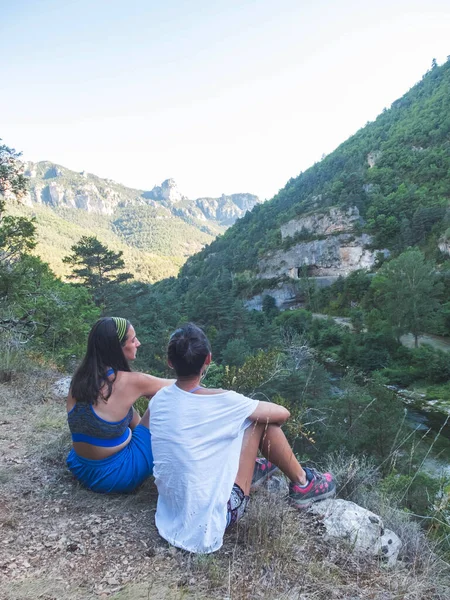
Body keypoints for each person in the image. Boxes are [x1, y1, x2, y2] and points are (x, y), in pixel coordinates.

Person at [149, 322, 336, 554]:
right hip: (210, 524)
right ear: (208, 359)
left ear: (169, 362)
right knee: (259, 421)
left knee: (241, 421)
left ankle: (275, 474)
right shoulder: (222, 400)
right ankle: (303, 484)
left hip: (169, 516)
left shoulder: (158, 400)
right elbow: (282, 414)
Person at [66, 316, 173, 493]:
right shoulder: (131, 382)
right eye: (133, 339)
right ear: (117, 348)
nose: (138, 343)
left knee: (125, 411)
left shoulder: (80, 379)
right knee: (165, 399)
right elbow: (183, 385)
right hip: (116, 475)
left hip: (80, 467)